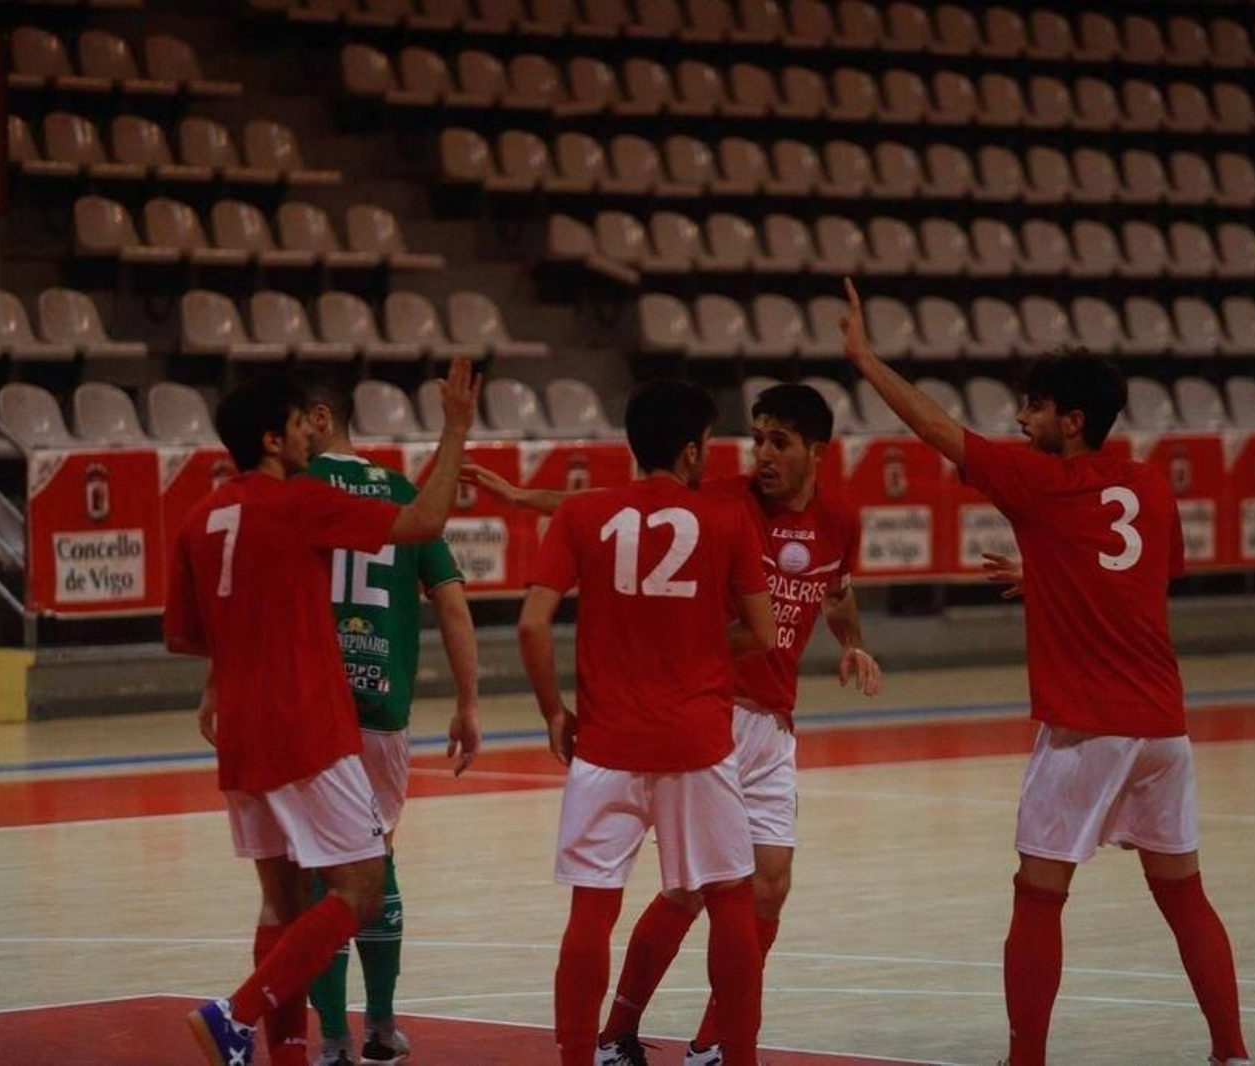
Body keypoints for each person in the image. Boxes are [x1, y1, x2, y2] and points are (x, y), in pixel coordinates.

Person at [838, 279, 1250, 1066]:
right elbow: (1147, 574)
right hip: (1164, 726)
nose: (1021, 423)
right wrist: (1052, 577)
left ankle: (1025, 1058)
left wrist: (863, 358)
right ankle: (1232, 1053)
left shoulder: (1040, 482)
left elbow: (936, 429)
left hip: (1087, 726)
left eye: (1033, 409)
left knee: (1038, 892)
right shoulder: (1151, 483)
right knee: (1183, 893)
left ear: (1073, 420)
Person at [466, 383, 883, 1066]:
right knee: (698, 891)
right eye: (757, 439)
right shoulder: (723, 501)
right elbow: (622, 514)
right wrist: (523, 500)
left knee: (768, 884)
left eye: (779, 442)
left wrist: (852, 643)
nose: (763, 455)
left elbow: (837, 594)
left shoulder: (841, 519)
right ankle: (619, 1032)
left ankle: (711, 1044)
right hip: (711, 713)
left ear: (817, 451)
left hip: (768, 721)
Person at [164, 363, 478, 1066]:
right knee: (360, 886)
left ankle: (285, 1057)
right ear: (274, 438)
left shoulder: (200, 517)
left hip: (240, 733)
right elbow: (425, 519)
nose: (311, 432)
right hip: (305, 725)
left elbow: (184, 635)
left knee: (281, 902)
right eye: (298, 423)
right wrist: (455, 428)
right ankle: (235, 1015)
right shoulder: (297, 502)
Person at [516, 380, 778, 1066]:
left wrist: (553, 712)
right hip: (698, 740)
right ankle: (739, 1058)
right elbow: (764, 632)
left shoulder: (581, 513)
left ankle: (578, 1057)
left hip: (606, 743)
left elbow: (532, 623)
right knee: (729, 899)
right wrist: (700, 651)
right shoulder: (725, 520)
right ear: (692, 450)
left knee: (591, 912)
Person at [302, 378, 483, 1066]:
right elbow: (453, 604)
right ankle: (380, 1026)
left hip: (309, 706)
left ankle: (331, 1040)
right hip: (383, 707)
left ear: (319, 419)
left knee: (318, 871)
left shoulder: (295, 490)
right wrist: (467, 703)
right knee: (375, 861)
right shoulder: (404, 492)